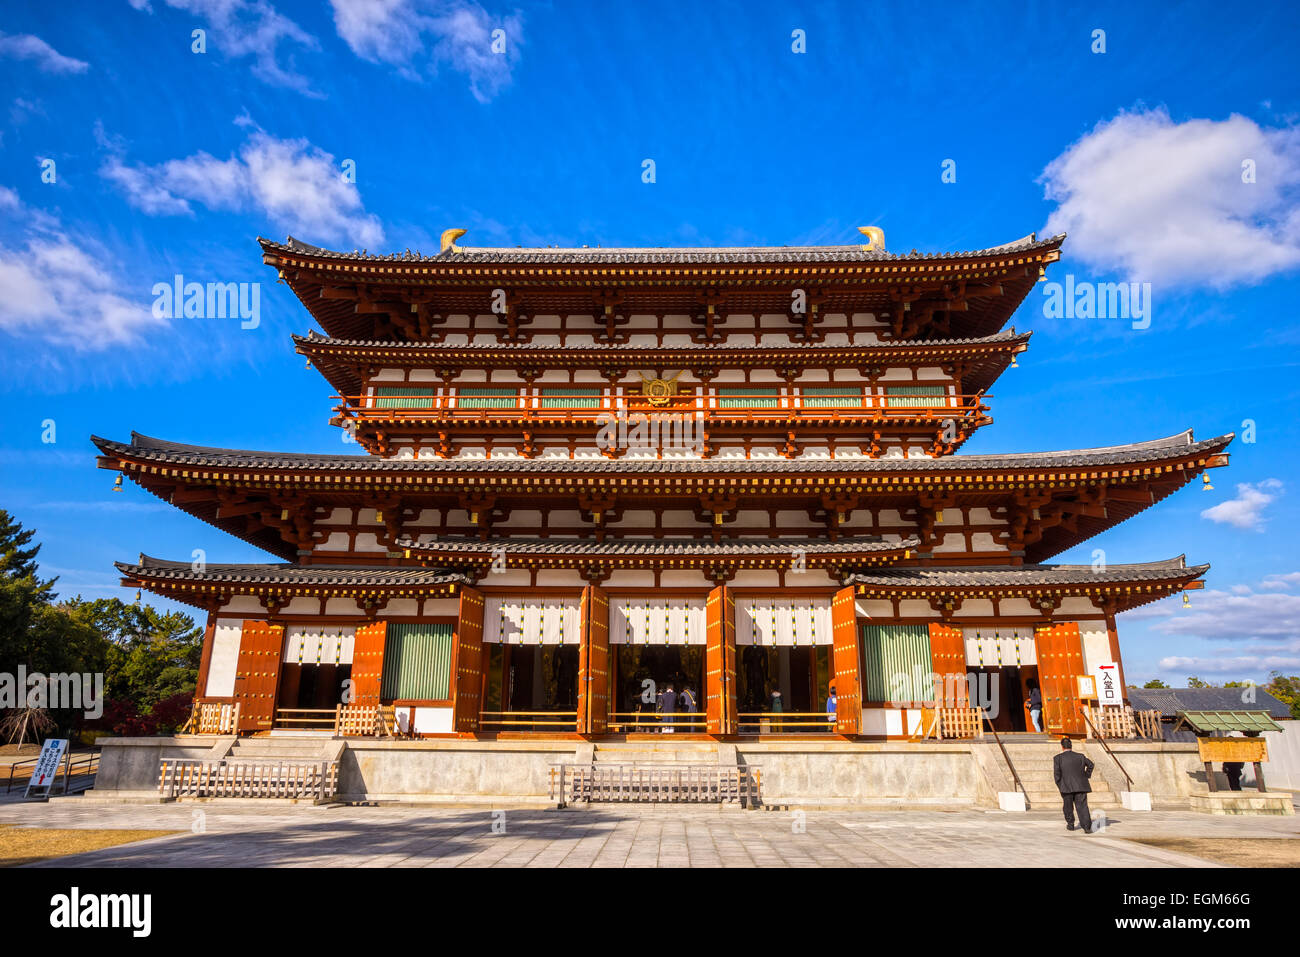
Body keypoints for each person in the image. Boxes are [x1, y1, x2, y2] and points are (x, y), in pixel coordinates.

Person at [1053, 736, 1095, 833]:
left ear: (1062, 747)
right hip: (1081, 785)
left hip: (1065, 786)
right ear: (1071, 746)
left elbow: (1057, 774)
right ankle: (1087, 827)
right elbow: (1091, 765)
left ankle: (1070, 824)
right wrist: (1086, 775)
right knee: (1082, 807)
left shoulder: (1058, 758)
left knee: (1068, 807)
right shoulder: (1080, 756)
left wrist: (1060, 785)